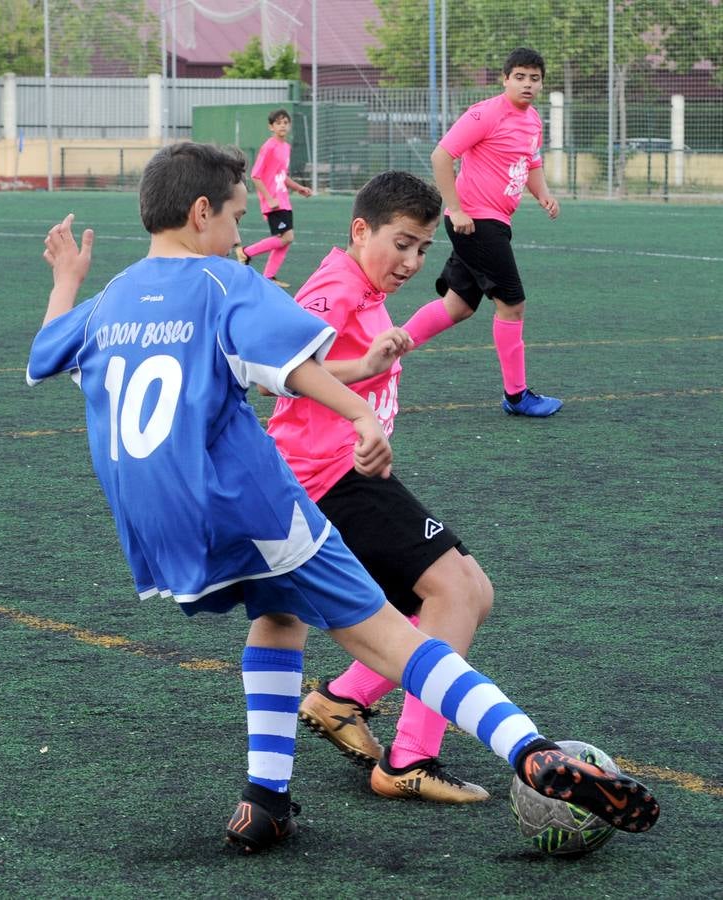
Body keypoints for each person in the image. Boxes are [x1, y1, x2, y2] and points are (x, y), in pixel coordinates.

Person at [26, 142, 659, 854]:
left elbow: (49, 347)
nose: (244, 233)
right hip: (256, 500)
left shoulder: (110, 298)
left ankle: (264, 803)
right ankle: (529, 750)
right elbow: (291, 368)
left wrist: (67, 278)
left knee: (278, 615)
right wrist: (360, 415)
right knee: (396, 635)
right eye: (238, 217)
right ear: (201, 213)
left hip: (159, 526)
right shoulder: (222, 284)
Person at [268, 170, 497, 804]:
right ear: (360, 229)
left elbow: (413, 329)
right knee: (451, 588)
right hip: (328, 478)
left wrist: (469, 275)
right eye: (402, 244)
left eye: (423, 249)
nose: (412, 261)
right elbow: (274, 370)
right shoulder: (335, 286)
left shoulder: (365, 287)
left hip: (352, 473)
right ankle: (409, 762)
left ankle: (344, 698)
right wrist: (364, 366)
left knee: (471, 591)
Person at [415, 47, 562, 417]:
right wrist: (456, 208)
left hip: (494, 222)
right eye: (520, 76)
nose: (528, 84)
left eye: (535, 78)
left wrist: (543, 194)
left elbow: (532, 162)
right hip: (476, 222)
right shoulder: (485, 113)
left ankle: (385, 349)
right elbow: (441, 156)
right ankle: (517, 397)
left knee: (458, 306)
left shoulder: (533, 121)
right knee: (512, 304)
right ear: (505, 78)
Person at [233, 107, 311, 289]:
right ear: (271, 127)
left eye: (285, 122)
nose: (282, 126)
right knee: (287, 237)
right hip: (274, 201)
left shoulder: (286, 147)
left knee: (284, 238)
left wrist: (299, 188)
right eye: (278, 123)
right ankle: (245, 252)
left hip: (284, 200)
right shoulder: (269, 146)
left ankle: (269, 276)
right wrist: (269, 199)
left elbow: (282, 175)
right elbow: (255, 175)